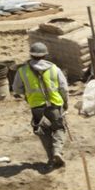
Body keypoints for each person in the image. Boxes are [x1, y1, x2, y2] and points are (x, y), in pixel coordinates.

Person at [12, 39, 68, 169]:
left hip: (36, 106)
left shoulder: (22, 71)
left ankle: (51, 158)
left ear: (31, 55)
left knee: (43, 131)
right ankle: (57, 152)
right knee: (58, 128)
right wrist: (66, 103)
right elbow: (64, 88)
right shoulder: (54, 69)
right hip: (55, 104)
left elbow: (16, 89)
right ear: (45, 55)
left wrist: (27, 92)